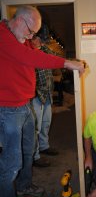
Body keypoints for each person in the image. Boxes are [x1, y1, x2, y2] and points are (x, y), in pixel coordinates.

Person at [0, 5, 84, 197]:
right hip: (8, 109)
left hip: (24, 105)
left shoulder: (21, 36)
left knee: (29, 149)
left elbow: (33, 53)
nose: (31, 36)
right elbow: (29, 58)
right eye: (30, 31)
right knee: (10, 164)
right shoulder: (2, 36)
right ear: (19, 20)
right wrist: (67, 63)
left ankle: (25, 185)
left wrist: (33, 43)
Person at [30, 33, 59, 167]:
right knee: (36, 127)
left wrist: (43, 45)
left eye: (41, 40)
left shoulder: (43, 50)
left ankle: (44, 146)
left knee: (46, 122)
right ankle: (35, 157)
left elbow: (55, 56)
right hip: (36, 95)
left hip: (47, 93)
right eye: (37, 39)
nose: (39, 42)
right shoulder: (27, 52)